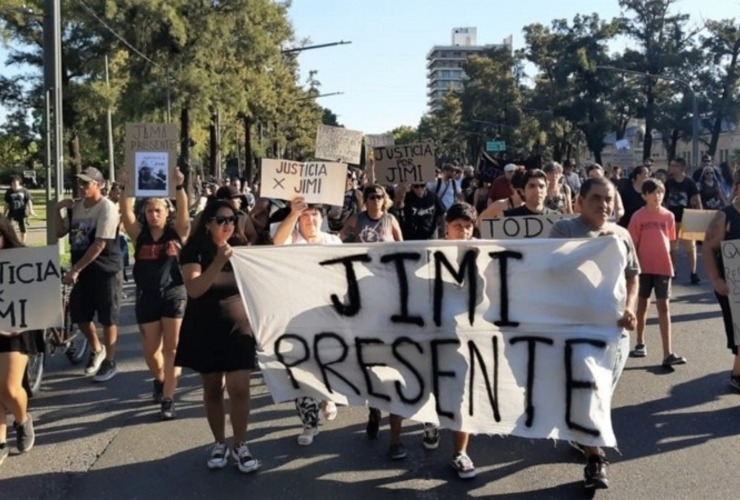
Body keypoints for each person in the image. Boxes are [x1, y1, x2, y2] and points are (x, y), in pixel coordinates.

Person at [550, 177, 639, 490]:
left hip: (615, 333)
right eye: (596, 198)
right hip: (576, 329)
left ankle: (582, 435)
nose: (604, 205)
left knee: (602, 392)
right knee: (592, 389)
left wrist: (630, 308)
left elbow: (632, 278)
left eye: (609, 198)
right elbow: (552, 271)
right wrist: (597, 248)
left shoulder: (621, 235)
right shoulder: (564, 230)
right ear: (580, 202)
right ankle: (595, 459)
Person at [175, 200, 260, 473]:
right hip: (204, 327)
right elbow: (195, 289)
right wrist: (218, 262)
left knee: (239, 388)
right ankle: (219, 443)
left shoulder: (242, 250)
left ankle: (241, 445)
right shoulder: (194, 252)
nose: (228, 225)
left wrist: (294, 213)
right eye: (222, 220)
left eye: (232, 219)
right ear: (209, 223)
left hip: (238, 327)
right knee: (213, 389)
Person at [340, 185, 407, 459]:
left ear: (385, 200)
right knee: (369, 359)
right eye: (371, 197)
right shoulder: (357, 219)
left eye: (379, 196)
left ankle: (395, 437)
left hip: (389, 294)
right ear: (364, 200)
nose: (375, 201)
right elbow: (338, 238)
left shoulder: (391, 220)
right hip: (362, 293)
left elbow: (404, 249)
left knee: (393, 362)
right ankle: (374, 409)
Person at [120, 169, 190, 420]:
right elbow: (126, 215)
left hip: (174, 293)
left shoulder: (177, 233)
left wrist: (180, 187)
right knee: (151, 351)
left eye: (158, 210)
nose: (154, 214)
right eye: (150, 211)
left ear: (166, 211)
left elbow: (184, 213)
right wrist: (126, 188)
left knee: (172, 349)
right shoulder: (140, 235)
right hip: (147, 296)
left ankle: (169, 398)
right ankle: (161, 379)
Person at [273, 197, 341, 445]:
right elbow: (276, 242)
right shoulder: (292, 238)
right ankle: (309, 424)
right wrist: (292, 213)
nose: (310, 220)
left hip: (327, 313)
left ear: (322, 218)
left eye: (314, 215)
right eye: (305, 215)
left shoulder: (333, 242)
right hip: (295, 314)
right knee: (299, 367)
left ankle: (327, 396)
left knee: (326, 361)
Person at [55, 167, 122, 382]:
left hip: (105, 269)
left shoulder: (107, 208)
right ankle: (97, 348)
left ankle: (110, 361)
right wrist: (58, 210)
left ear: (99, 185)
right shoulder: (77, 207)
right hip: (82, 270)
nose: (82, 187)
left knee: (108, 317)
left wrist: (75, 270)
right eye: (80, 183)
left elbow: (100, 243)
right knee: (79, 313)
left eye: (87, 183)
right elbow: (59, 232)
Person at [627, 179, 687, 367]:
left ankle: (667, 353)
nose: (658, 196)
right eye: (653, 192)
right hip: (643, 268)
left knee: (664, 308)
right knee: (642, 305)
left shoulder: (668, 216)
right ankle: (639, 342)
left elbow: (671, 242)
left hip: (663, 267)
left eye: (661, 192)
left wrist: (673, 264)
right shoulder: (638, 217)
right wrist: (632, 269)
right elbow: (632, 244)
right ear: (644, 195)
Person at [0, 216, 37, 464]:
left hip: (17, 331)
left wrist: (18, 324)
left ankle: (22, 420)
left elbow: (38, 299)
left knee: (9, 388)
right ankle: (0, 441)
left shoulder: (23, 262)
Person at [702, 170, 740, 391]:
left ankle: (736, 374)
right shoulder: (724, 216)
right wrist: (715, 279)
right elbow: (708, 247)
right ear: (736, 187)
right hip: (730, 284)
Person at [664, 157, 702, 284]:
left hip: (688, 219)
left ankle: (693, 272)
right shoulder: (668, 183)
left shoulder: (689, 183)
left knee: (690, 247)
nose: (671, 167)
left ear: (680, 168)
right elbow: (665, 201)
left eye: (673, 165)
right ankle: (673, 270)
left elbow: (697, 200)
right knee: (672, 246)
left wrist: (700, 217)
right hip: (673, 219)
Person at [326, 169, 363, 233]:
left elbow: (362, 212)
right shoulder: (331, 192)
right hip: (333, 229)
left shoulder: (357, 193)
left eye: (348, 175)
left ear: (352, 179)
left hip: (350, 231)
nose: (345, 178)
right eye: (342, 175)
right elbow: (327, 212)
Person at [3, 176, 33, 244]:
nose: (14, 184)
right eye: (13, 183)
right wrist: (4, 213)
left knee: (23, 228)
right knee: (9, 227)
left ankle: (23, 242)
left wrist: (31, 210)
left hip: (22, 212)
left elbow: (29, 201)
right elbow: (6, 203)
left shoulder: (24, 190)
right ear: (11, 184)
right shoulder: (9, 191)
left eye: (16, 182)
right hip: (12, 212)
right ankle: (11, 241)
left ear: (19, 182)